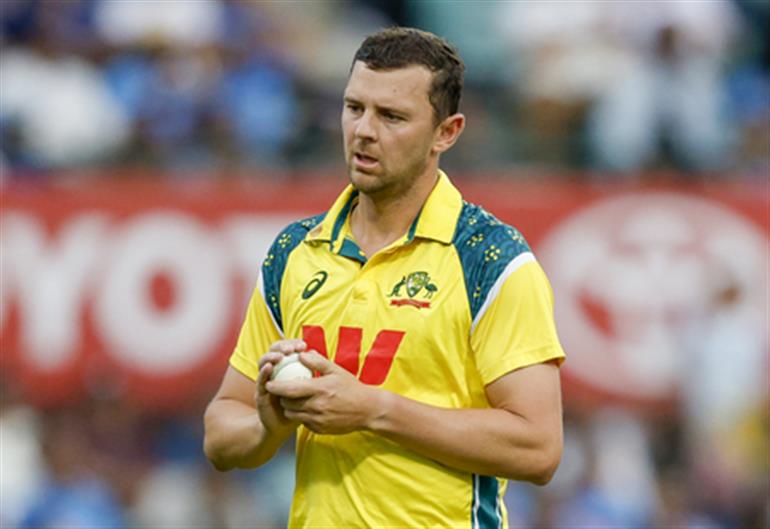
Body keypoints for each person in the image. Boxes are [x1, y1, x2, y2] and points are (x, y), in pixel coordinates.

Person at [204, 26, 565, 528]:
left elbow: (539, 448)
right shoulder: (296, 250)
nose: (364, 131)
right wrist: (268, 426)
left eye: (391, 116)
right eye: (354, 108)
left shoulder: (490, 259)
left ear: (447, 132)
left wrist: (374, 410)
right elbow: (221, 432)